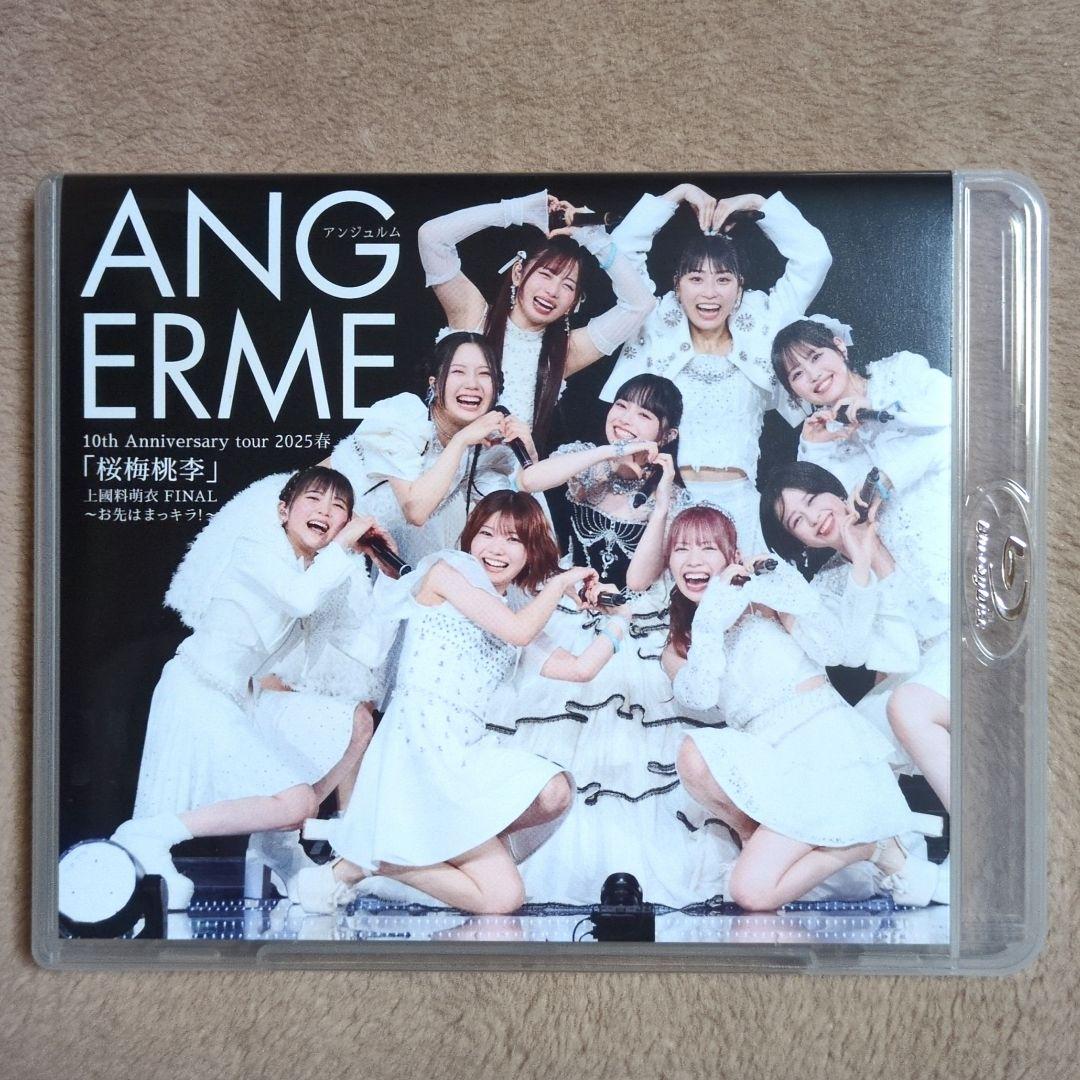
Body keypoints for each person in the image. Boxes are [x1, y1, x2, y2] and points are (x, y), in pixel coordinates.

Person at [296, 491, 626, 915]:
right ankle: (378, 853)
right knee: (505, 897)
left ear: (530, 551)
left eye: (513, 539)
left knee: (552, 797)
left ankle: (377, 857)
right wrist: (561, 585)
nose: (496, 548)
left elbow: (579, 669)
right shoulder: (446, 574)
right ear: (470, 538)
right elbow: (519, 631)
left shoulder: (511, 609)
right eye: (486, 534)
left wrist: (621, 620)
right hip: (421, 744)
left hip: (466, 749)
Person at [493, 375, 735, 907]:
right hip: (566, 606)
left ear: (667, 434)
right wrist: (612, 450)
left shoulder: (675, 497)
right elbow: (530, 480)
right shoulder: (586, 461)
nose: (626, 418)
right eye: (621, 405)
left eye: (643, 415)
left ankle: (624, 873)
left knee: (626, 736)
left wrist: (663, 499)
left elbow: (641, 580)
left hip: (629, 619)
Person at [111, 467, 387, 909]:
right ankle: (147, 834)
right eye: (314, 499)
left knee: (350, 732)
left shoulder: (319, 573)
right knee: (295, 803)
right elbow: (299, 598)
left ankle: (276, 845)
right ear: (283, 511)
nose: (326, 511)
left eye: (339, 507)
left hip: (242, 702)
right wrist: (341, 551)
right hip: (197, 691)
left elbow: (367, 647)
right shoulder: (255, 549)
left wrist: (387, 572)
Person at [663, 505, 946, 909]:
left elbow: (836, 649)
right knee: (693, 758)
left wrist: (783, 583)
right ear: (669, 563)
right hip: (773, 764)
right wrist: (708, 623)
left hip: (825, 750)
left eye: (708, 548)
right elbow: (700, 696)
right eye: (681, 549)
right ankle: (865, 847)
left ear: (732, 556)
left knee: (748, 891)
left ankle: (868, 842)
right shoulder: (678, 647)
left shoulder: (765, 602)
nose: (693, 560)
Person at [599, 182, 832, 545]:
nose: (709, 293)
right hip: (666, 503)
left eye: (723, 279)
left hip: (740, 507)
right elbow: (621, 249)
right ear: (677, 286)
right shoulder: (656, 321)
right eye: (696, 278)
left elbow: (815, 258)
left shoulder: (764, 323)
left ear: (739, 288)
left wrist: (756, 202)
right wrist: (678, 194)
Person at [760, 460, 951, 814]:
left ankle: (977, 826)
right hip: (919, 672)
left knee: (905, 707)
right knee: (841, 750)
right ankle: (901, 848)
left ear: (835, 490)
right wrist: (860, 565)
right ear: (797, 540)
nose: (814, 518)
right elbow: (854, 651)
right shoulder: (828, 584)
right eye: (797, 521)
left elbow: (937, 620)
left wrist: (875, 549)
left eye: (813, 499)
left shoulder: (899, 516)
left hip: (958, 645)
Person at [418, 190, 656, 447]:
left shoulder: (564, 352)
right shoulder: (474, 316)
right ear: (518, 273)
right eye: (546, 274)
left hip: (515, 471)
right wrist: (518, 211)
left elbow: (640, 304)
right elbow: (432, 238)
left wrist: (595, 240)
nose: (552, 291)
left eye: (568, 285)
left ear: (574, 302)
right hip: (433, 466)